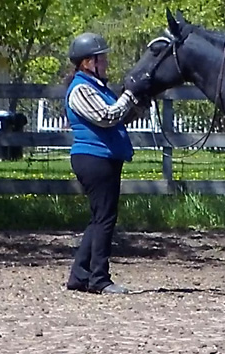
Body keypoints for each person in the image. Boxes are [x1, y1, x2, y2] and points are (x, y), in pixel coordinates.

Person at [64, 32, 149, 294]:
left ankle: (80, 275)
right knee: (104, 219)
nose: (107, 63)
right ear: (88, 62)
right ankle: (99, 278)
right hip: (93, 158)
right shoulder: (81, 89)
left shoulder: (98, 88)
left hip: (104, 157)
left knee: (100, 218)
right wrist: (128, 95)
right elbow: (106, 116)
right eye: (102, 59)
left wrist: (137, 104)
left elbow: (119, 118)